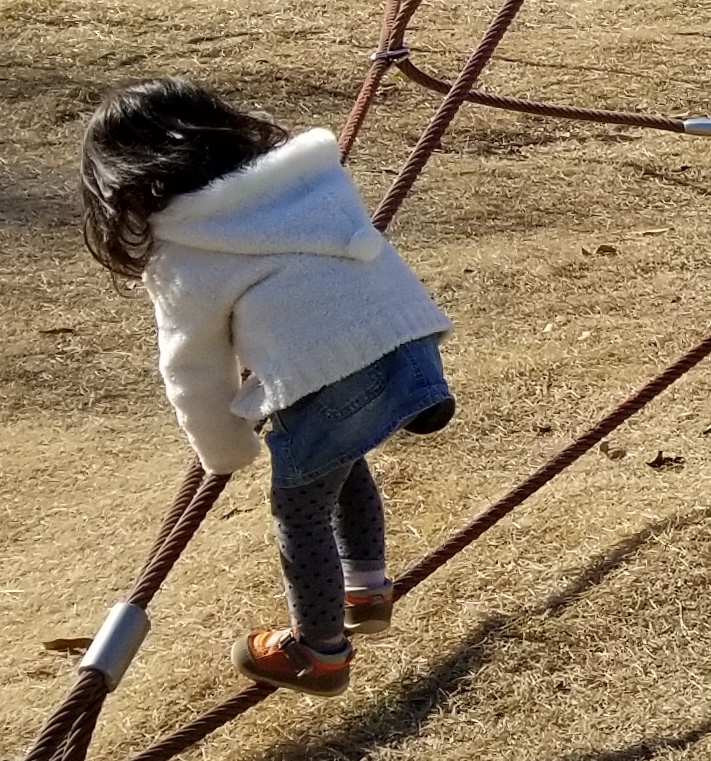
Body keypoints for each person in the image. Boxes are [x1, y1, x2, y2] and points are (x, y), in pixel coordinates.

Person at [78, 79, 454, 698]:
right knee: (337, 454)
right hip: (410, 344)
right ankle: (365, 587)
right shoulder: (308, 179)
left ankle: (320, 652)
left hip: (330, 373)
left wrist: (223, 451)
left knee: (298, 505)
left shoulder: (182, 250)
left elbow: (192, 365)